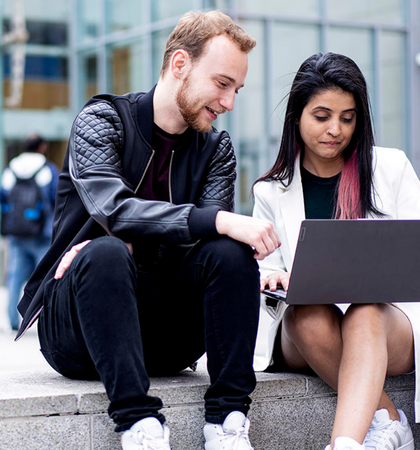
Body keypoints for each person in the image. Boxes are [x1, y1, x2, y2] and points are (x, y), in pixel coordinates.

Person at [14, 11, 280, 450]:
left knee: (231, 252)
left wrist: (211, 228)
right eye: (221, 83)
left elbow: (207, 245)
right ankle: (141, 427)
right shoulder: (102, 121)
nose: (229, 102)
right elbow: (113, 209)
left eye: (237, 89)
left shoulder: (216, 148)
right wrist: (211, 220)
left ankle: (228, 423)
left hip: (165, 335)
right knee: (103, 251)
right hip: (79, 327)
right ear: (180, 64)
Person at [253, 52, 420, 450]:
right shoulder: (270, 191)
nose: (335, 130)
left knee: (363, 311)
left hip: (387, 325)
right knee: (302, 313)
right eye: (321, 116)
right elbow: (264, 268)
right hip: (309, 333)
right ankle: (388, 418)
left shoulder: (391, 168)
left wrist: (384, 266)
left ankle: (346, 443)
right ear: (297, 117)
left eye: (347, 117)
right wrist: (273, 277)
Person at [0, 134, 59, 331]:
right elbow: (56, 198)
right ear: (42, 147)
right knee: (44, 277)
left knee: (14, 276)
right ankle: (45, 320)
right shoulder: (48, 169)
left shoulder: (11, 168)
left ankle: (13, 320)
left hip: (16, 232)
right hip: (42, 233)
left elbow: (3, 197)